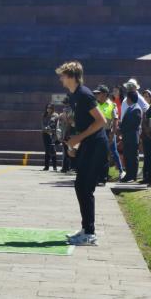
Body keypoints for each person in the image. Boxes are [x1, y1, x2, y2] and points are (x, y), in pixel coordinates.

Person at [56, 61, 107, 246]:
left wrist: (78, 139)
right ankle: (86, 229)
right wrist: (74, 145)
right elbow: (84, 125)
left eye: (62, 75)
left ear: (71, 76)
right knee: (80, 186)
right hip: (88, 144)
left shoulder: (84, 94)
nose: (60, 78)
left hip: (97, 145)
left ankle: (90, 234)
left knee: (86, 187)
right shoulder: (74, 96)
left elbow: (101, 121)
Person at [94, 85, 124, 185]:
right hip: (95, 132)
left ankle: (103, 178)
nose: (97, 95)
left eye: (99, 93)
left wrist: (112, 134)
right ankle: (96, 177)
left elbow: (115, 120)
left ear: (105, 94)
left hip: (106, 132)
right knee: (96, 155)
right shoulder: (95, 104)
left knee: (104, 156)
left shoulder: (112, 105)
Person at [120, 91, 142, 183]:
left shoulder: (136, 109)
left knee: (133, 157)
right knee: (127, 157)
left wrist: (122, 128)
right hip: (127, 137)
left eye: (127, 98)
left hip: (132, 137)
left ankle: (133, 176)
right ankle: (128, 175)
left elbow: (134, 124)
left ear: (130, 98)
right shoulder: (130, 108)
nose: (126, 100)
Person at [57, 97, 74, 173]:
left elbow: (69, 123)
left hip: (68, 133)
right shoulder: (66, 111)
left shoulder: (70, 111)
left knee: (68, 151)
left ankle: (68, 167)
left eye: (65, 103)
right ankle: (66, 167)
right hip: (65, 133)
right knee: (66, 151)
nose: (65, 105)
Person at [141, 89, 151, 183]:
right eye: (144, 96)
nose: (145, 98)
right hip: (145, 136)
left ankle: (150, 176)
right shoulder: (143, 108)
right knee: (146, 156)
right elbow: (143, 123)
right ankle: (145, 176)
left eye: (147, 96)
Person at [41, 103, 59, 171]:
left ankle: (54, 166)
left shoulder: (56, 115)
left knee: (52, 150)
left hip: (53, 134)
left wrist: (52, 131)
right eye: (48, 107)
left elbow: (57, 125)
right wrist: (45, 129)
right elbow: (42, 124)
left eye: (50, 108)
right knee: (47, 150)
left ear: (53, 108)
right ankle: (46, 166)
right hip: (45, 134)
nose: (49, 109)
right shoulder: (44, 115)